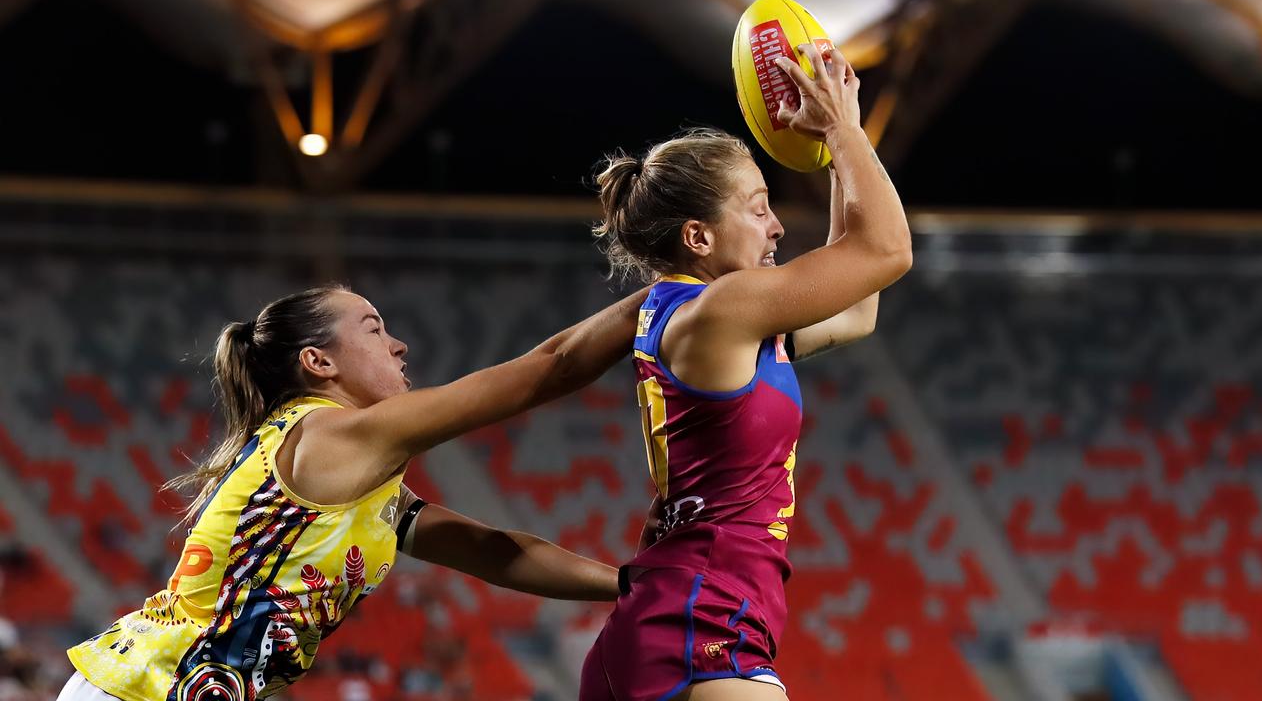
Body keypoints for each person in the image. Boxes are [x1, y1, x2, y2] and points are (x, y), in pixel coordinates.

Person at [58, 283, 647, 701]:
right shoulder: (332, 435)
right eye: (373, 329)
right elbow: (553, 366)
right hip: (149, 686)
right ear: (318, 362)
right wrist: (666, 296)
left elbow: (492, 552)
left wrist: (627, 583)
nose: (399, 346)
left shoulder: (351, 468)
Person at [579, 44, 912, 701]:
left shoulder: (713, 319)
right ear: (699, 238)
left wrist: (830, 152)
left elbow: (859, 307)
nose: (777, 226)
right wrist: (845, 126)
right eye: (758, 207)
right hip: (704, 628)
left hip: (668, 620)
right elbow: (888, 250)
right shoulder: (724, 308)